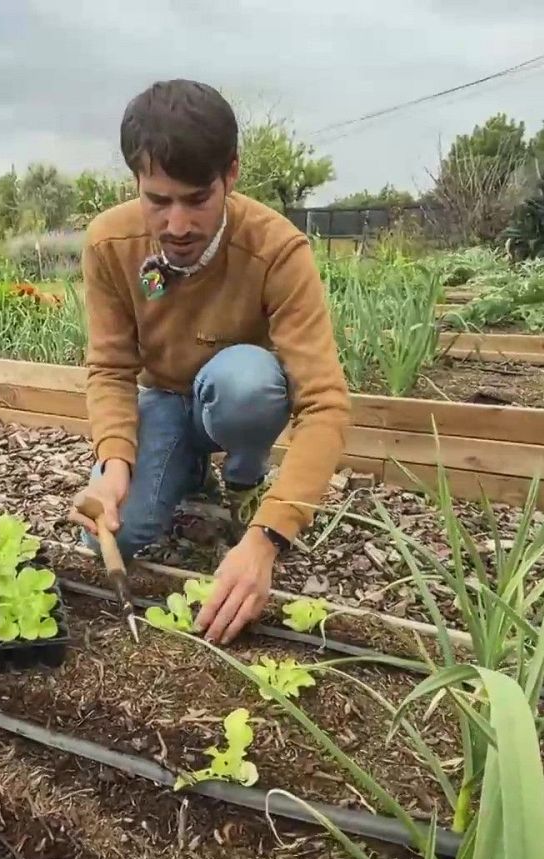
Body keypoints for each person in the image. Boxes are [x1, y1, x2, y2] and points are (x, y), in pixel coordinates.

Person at [67, 78, 351, 645]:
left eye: (197, 199)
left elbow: (325, 404)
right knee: (110, 536)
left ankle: (244, 481)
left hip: (234, 395)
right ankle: (189, 471)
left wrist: (269, 539)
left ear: (231, 174)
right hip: (165, 401)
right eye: (158, 200)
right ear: (136, 183)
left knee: (248, 383)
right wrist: (115, 464)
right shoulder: (109, 243)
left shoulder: (276, 249)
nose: (176, 225)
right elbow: (110, 367)